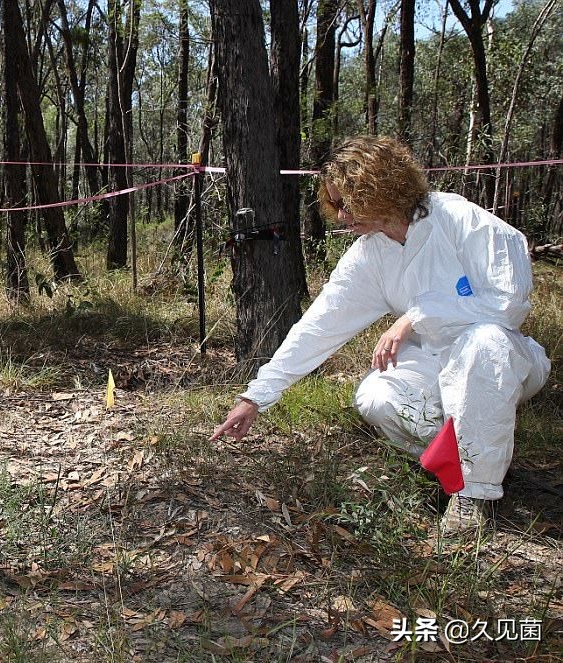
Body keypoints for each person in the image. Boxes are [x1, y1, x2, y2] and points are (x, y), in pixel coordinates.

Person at [210, 136, 551, 534]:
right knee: (376, 398)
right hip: (432, 361)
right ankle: (453, 459)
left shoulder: (461, 220)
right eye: (335, 204)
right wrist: (256, 396)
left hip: (503, 360)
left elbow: (508, 304)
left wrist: (413, 318)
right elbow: (319, 326)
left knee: (484, 343)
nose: (340, 216)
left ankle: (473, 495)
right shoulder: (370, 254)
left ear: (382, 188)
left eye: (347, 202)